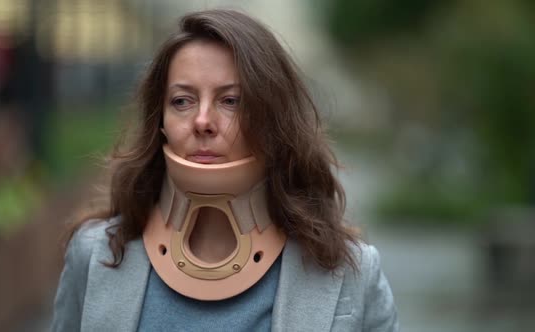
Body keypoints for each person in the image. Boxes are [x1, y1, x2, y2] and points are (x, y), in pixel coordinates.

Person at [51, 9, 398, 332]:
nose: (203, 121)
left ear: (274, 121)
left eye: (231, 101)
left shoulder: (353, 273)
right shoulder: (95, 254)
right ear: (161, 122)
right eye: (182, 101)